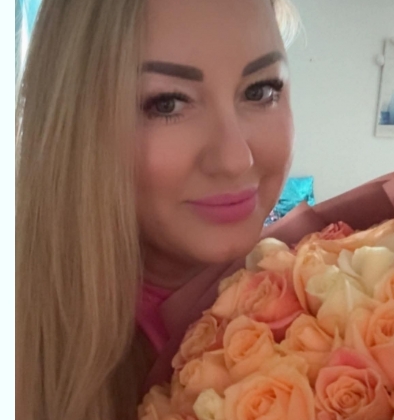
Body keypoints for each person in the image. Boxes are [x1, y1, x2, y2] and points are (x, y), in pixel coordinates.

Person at [15, 1, 302, 419]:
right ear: (74, 125)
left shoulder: (346, 301)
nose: (235, 159)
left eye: (260, 91)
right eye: (167, 104)